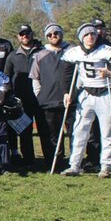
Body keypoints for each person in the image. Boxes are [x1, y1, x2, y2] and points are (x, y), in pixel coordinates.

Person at [60, 23, 111, 178]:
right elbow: (67, 74)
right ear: (81, 37)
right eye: (86, 34)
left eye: (92, 34)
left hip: (105, 93)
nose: (90, 37)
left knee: (107, 132)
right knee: (79, 131)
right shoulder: (73, 53)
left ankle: (106, 166)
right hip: (86, 94)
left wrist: (110, 72)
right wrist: (66, 92)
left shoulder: (108, 51)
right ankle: (74, 165)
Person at [29, 24, 71, 170]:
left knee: (73, 133)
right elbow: (35, 78)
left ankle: (74, 163)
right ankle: (52, 162)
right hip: (47, 101)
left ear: (61, 34)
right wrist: (40, 95)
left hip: (69, 100)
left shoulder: (71, 52)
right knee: (50, 135)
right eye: (50, 34)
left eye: (56, 33)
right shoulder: (41, 55)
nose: (53, 36)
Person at [3, 24, 42, 166]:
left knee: (43, 130)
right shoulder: (13, 56)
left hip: (40, 97)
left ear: (32, 34)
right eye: (22, 34)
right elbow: (6, 77)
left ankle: (49, 159)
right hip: (20, 99)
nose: (24, 36)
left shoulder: (42, 52)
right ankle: (26, 159)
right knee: (24, 130)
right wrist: (10, 96)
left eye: (27, 33)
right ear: (18, 37)